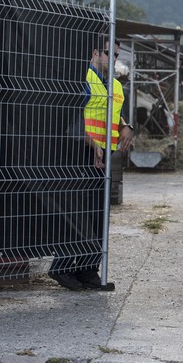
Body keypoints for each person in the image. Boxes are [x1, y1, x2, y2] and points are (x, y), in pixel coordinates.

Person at [49, 38, 133, 291]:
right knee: (77, 212)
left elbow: (112, 112)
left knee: (99, 214)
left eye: (117, 55)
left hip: (104, 155)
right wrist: (91, 144)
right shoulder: (83, 80)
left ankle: (88, 269)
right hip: (79, 154)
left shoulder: (114, 84)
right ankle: (62, 267)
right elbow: (71, 117)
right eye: (109, 54)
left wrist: (127, 125)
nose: (113, 59)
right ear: (95, 53)